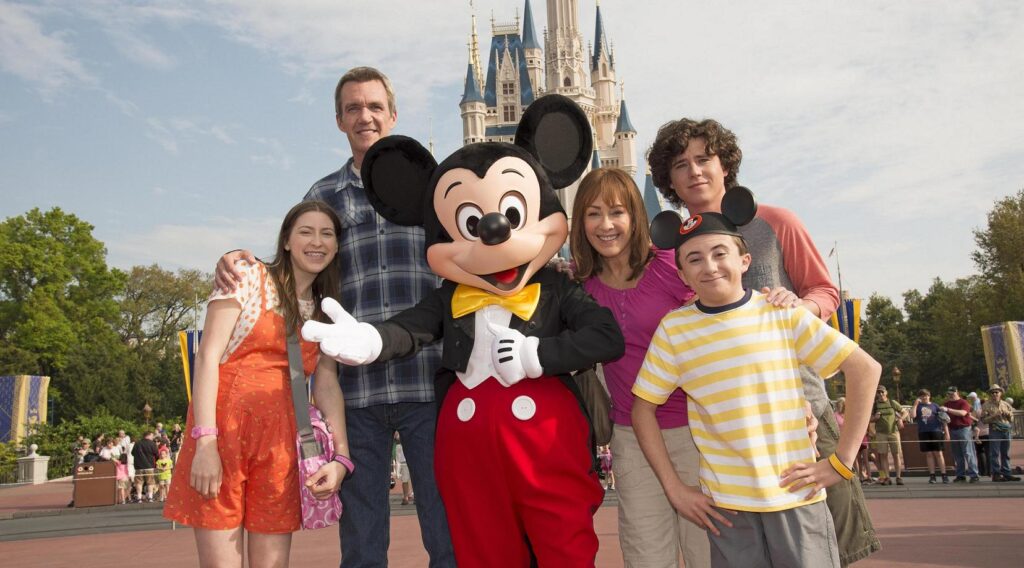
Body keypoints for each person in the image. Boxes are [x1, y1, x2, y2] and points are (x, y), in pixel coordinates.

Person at [213, 66, 454, 568]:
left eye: (373, 107)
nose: (364, 116)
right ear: (339, 120)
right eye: (352, 109)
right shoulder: (322, 196)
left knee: (446, 531)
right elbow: (292, 263)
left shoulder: (436, 187)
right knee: (362, 542)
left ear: (393, 114)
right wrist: (240, 257)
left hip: (428, 382)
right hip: (354, 391)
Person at [648, 117, 880, 565]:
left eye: (704, 159)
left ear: (724, 165)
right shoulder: (674, 246)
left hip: (802, 406)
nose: (694, 171)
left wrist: (799, 309)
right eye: (681, 164)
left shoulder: (774, 222)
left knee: (829, 541)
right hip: (731, 429)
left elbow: (825, 291)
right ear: (669, 178)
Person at [164, 201, 352, 568]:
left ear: (337, 246)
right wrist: (205, 442)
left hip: (282, 445)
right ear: (285, 241)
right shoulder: (247, 278)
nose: (317, 242)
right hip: (224, 435)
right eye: (306, 232)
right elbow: (207, 357)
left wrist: (341, 457)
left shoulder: (326, 309)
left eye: (327, 234)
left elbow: (326, 383)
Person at [568, 167, 708, 566]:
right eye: (593, 213)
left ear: (635, 215)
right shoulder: (582, 289)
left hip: (697, 431)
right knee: (647, 557)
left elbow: (726, 313)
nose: (606, 224)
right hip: (631, 438)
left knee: (709, 553)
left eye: (616, 212)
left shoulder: (672, 266)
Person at [980, 384, 1021, 482]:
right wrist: (994, 415)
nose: (994, 394)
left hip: (1006, 430)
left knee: (1005, 453)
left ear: (1000, 393)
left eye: (996, 392)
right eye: (992, 392)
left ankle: (1007, 473)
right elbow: (984, 420)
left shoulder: (1006, 404)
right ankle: (996, 474)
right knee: (994, 453)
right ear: (990, 394)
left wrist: (1008, 414)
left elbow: (1011, 418)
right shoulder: (986, 405)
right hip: (995, 430)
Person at [940, 386, 980, 483]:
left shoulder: (963, 402)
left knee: (968, 452)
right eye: (950, 393)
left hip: (964, 429)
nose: (951, 394)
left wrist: (947, 410)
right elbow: (943, 418)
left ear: (957, 392)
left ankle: (974, 474)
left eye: (953, 392)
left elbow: (963, 413)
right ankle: (960, 475)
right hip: (952, 429)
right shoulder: (946, 403)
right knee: (957, 454)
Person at [870, 386, 908, 485]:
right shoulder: (875, 405)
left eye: (882, 392)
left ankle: (898, 476)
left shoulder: (892, 402)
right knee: (883, 455)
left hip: (893, 432)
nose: (881, 394)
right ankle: (887, 477)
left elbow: (904, 412)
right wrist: (875, 418)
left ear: (886, 392)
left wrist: (900, 419)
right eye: (878, 392)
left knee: (896, 454)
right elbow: (869, 418)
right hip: (881, 433)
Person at [911, 389, 950, 484]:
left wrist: (947, 432)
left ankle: (944, 474)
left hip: (936, 430)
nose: (924, 397)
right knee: (929, 454)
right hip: (924, 431)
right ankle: (932, 475)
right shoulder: (918, 406)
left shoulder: (935, 406)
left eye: (926, 395)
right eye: (922, 396)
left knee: (938, 453)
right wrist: (915, 404)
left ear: (929, 396)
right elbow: (912, 415)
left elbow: (943, 419)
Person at [132, 431, 159, 502]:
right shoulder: (152, 443)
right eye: (152, 436)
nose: (153, 437)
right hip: (149, 466)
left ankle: (139, 498)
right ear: (149, 435)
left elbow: (132, 453)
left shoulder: (137, 443)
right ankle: (150, 497)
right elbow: (156, 454)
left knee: (139, 483)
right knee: (150, 482)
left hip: (138, 467)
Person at [394, 433, 413, 505]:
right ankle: (406, 496)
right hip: (403, 456)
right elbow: (397, 438)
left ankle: (408, 496)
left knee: (412, 478)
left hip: (409, 455)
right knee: (405, 479)